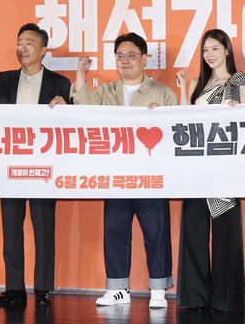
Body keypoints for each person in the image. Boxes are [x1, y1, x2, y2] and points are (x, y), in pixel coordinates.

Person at [67, 32, 177, 308]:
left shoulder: (163, 92)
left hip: (151, 175)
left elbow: (177, 130)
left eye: (131, 55)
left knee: (156, 230)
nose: (125, 61)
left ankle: (158, 289)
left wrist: (163, 117)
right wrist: (81, 73)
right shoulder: (106, 91)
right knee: (115, 230)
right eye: (120, 56)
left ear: (144, 58)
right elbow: (84, 111)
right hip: (114, 174)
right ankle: (118, 289)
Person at [0, 23, 70, 306]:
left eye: (29, 43)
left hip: (44, 166)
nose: (22, 49)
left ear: (43, 50)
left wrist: (68, 106)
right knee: (11, 229)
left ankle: (42, 289)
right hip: (10, 165)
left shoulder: (60, 83)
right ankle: (14, 288)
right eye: (19, 43)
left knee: (43, 229)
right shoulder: (4, 79)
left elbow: (75, 121)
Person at [175, 29, 245, 312]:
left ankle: (225, 299)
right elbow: (184, 120)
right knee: (194, 230)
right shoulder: (196, 82)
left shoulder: (238, 80)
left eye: (215, 49)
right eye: (206, 50)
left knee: (225, 234)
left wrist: (236, 109)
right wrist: (182, 88)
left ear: (227, 50)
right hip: (196, 167)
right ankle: (194, 297)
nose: (210, 55)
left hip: (224, 167)